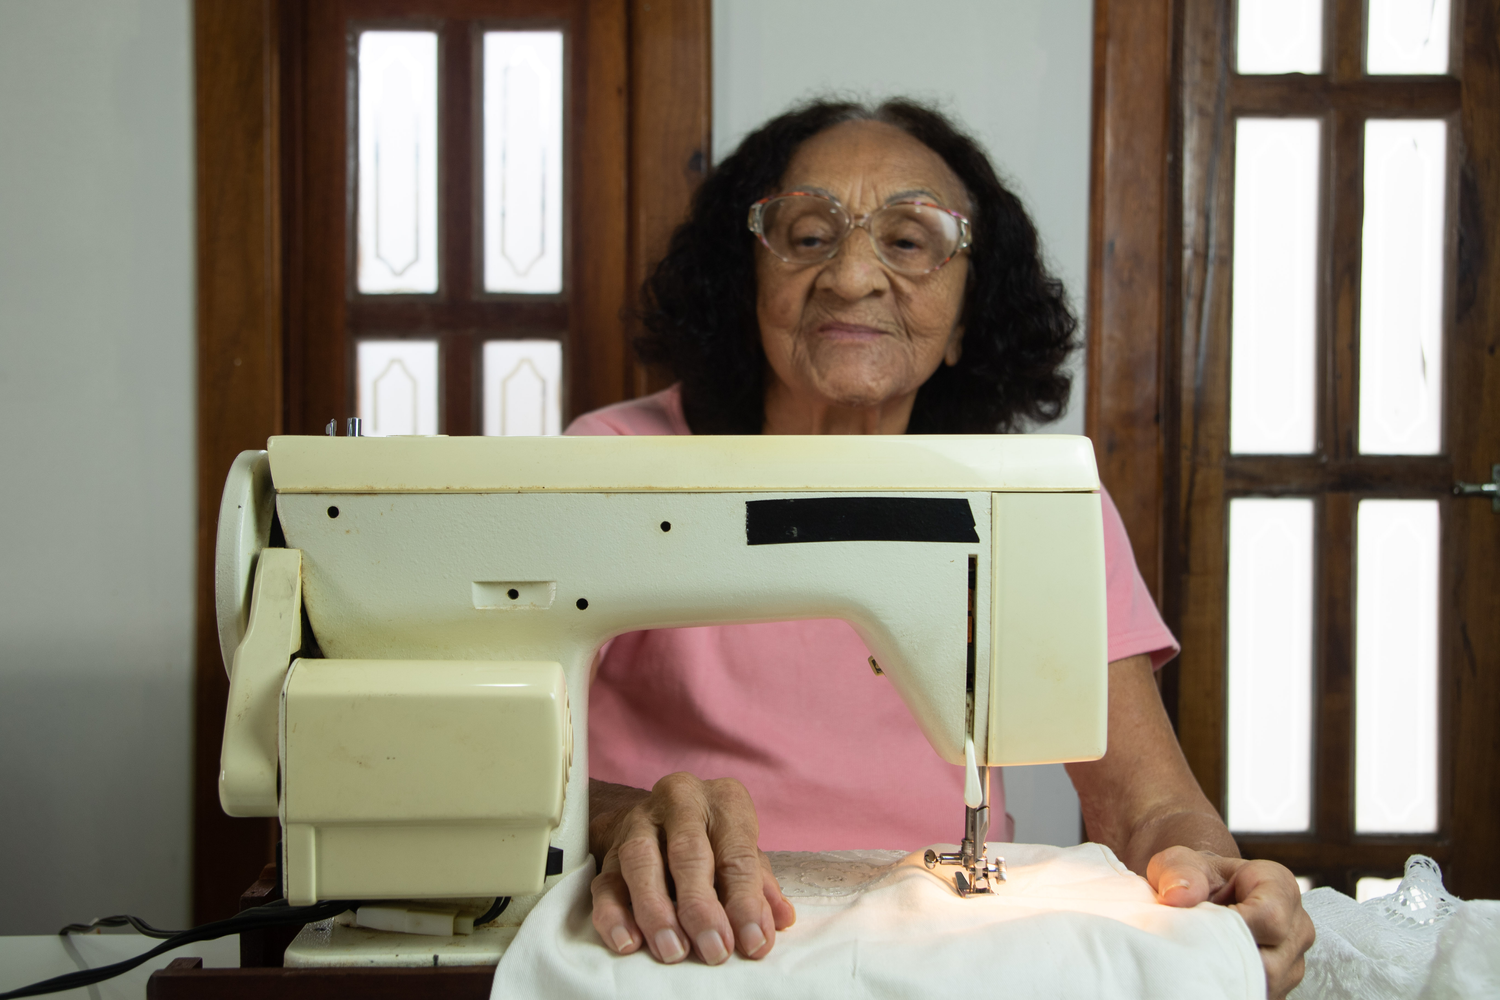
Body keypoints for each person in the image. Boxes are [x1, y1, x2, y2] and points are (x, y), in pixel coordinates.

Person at [569, 98, 1314, 998]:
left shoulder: (1039, 502)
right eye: (807, 236)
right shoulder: (610, 470)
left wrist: (1220, 883)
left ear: (968, 316)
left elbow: (1149, 806)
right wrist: (622, 818)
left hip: (944, 957)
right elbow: (494, 761)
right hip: (689, 948)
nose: (851, 276)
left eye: (911, 241)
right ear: (746, 282)